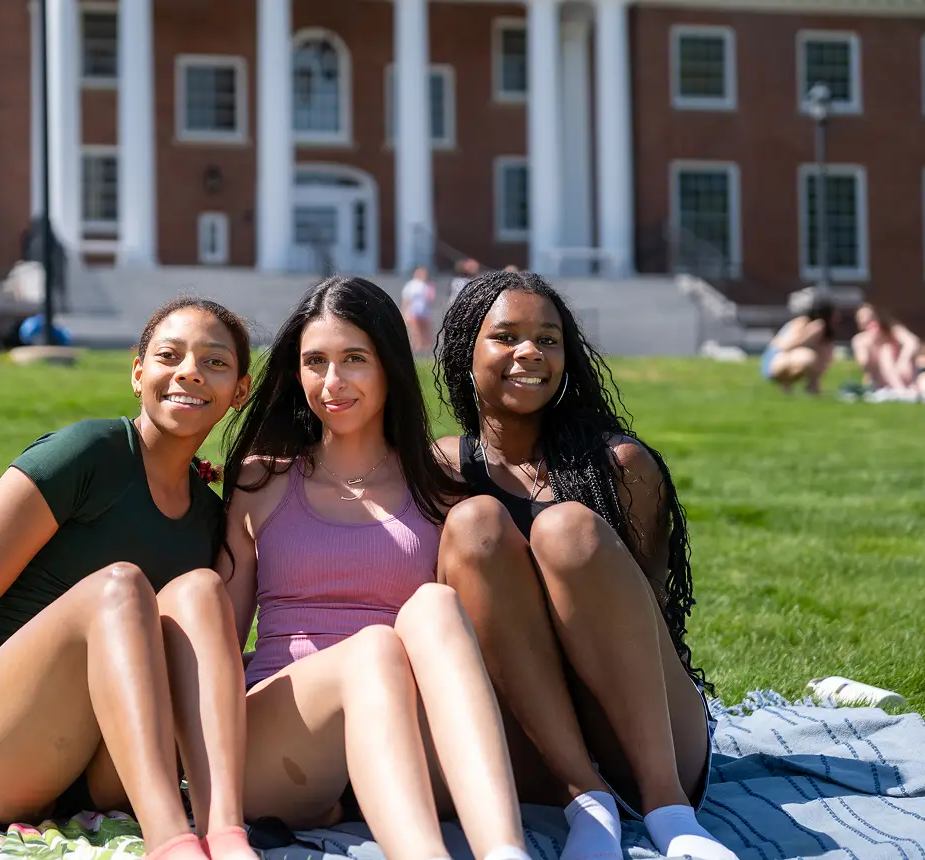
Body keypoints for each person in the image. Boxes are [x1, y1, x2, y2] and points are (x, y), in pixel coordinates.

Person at [0, 298, 258, 860]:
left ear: (238, 392)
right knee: (120, 587)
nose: (190, 371)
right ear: (137, 372)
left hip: (100, 772)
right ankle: (171, 844)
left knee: (200, 589)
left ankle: (224, 831)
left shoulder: (207, 514)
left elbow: (202, 658)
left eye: (214, 363)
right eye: (168, 355)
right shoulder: (86, 455)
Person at [220, 276, 528, 860]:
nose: (331, 383)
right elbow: (221, 641)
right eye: (316, 362)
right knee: (375, 648)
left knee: (434, 607)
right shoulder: (262, 480)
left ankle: (505, 851)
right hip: (282, 748)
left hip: (411, 743)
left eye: (354, 359)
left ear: (390, 364)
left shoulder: (440, 490)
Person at [431, 270, 737, 860]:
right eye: (507, 336)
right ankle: (586, 801)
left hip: (646, 733)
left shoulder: (620, 466)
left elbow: (651, 620)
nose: (530, 353)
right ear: (466, 352)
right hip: (533, 739)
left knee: (566, 528)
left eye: (549, 339)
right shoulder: (445, 469)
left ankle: (669, 814)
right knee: (475, 526)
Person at [759, 298, 838, 394]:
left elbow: (826, 356)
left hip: (786, 359)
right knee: (807, 356)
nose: (838, 317)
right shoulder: (804, 323)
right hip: (775, 361)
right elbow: (788, 345)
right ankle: (787, 385)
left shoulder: (824, 333)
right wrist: (811, 333)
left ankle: (812, 387)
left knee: (820, 352)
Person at [851, 303, 924, 397]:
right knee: (886, 351)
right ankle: (901, 390)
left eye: (871, 317)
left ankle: (911, 391)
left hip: (907, 373)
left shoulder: (893, 330)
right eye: (863, 318)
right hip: (880, 380)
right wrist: (870, 345)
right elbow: (864, 364)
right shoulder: (860, 340)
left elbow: (912, 342)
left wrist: (903, 360)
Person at [400, 266, 436, 354]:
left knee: (426, 331)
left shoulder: (427, 285)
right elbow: (406, 299)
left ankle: (426, 349)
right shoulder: (411, 284)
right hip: (413, 310)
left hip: (424, 311)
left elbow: (430, 298)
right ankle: (417, 347)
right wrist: (404, 311)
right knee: (415, 331)